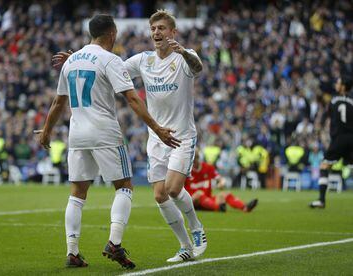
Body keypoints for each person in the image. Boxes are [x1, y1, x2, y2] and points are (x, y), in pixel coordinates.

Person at [52, 10, 206, 263]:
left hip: (181, 135)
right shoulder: (143, 60)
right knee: (159, 195)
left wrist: (186, 53)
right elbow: (108, 67)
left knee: (173, 188)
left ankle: (197, 228)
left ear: (173, 32)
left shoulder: (184, 59)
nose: (157, 33)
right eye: (154, 28)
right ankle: (185, 246)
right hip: (156, 138)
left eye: (162, 29)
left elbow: (197, 66)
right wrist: (79, 60)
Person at [310, 75, 353, 208]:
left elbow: (324, 116)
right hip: (351, 138)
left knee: (324, 166)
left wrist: (319, 128)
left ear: (343, 87)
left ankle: (321, 200)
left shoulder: (334, 101)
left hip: (339, 138)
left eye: (338, 83)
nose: (336, 84)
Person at [185, 150, 258, 212]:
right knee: (199, 193)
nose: (193, 162)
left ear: (198, 158)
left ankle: (245, 207)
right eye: (191, 160)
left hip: (207, 199)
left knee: (224, 194)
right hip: (192, 201)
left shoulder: (208, 167)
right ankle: (218, 208)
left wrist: (221, 183)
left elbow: (220, 179)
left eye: (195, 160)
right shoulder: (186, 170)